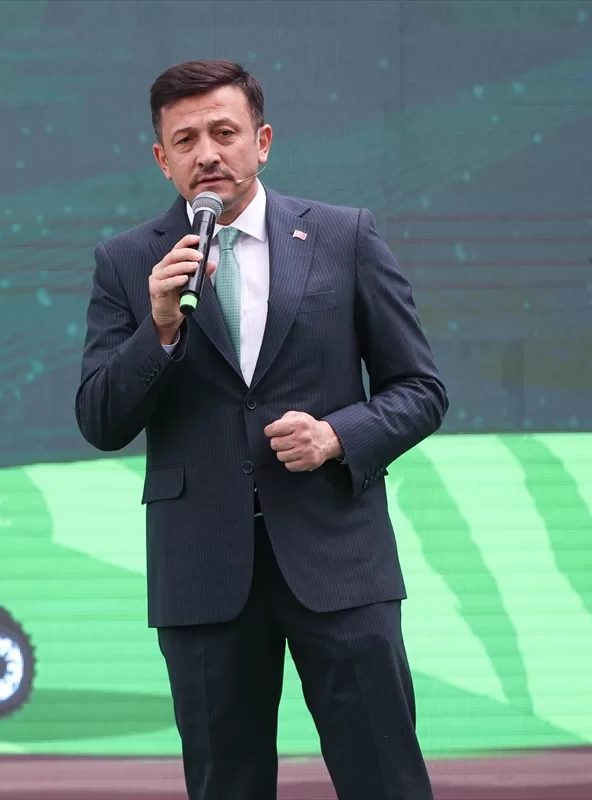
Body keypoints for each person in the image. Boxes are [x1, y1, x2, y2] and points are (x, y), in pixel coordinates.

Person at [74, 59, 447, 800]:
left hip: (338, 559)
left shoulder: (344, 237)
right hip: (203, 571)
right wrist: (159, 329)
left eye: (225, 132)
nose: (207, 153)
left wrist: (336, 437)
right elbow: (101, 420)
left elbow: (421, 389)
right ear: (162, 160)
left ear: (263, 141)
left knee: (385, 779)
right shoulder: (128, 262)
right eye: (186, 140)